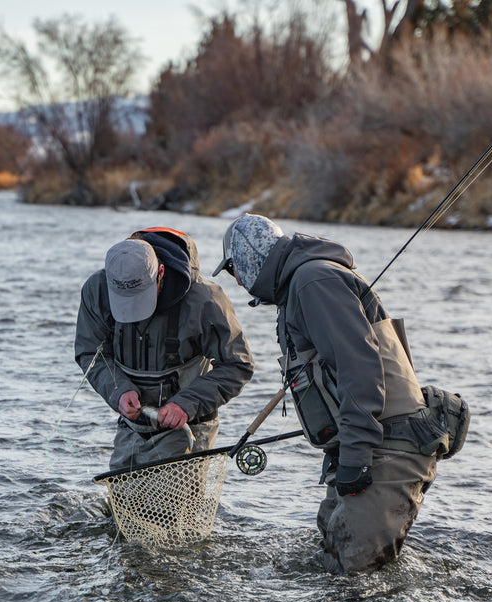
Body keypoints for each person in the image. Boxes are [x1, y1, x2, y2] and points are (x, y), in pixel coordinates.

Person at [212, 213, 438, 575]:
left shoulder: (311, 280)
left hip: (384, 447)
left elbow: (359, 367)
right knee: (333, 564)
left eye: (232, 270)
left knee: (355, 577)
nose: (236, 281)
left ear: (250, 257)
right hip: (368, 443)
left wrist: (357, 455)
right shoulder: (303, 281)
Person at [75, 227, 254, 472]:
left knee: (172, 511)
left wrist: (186, 404)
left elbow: (238, 365)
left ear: (161, 273)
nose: (133, 312)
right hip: (132, 428)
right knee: (122, 507)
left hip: (189, 429)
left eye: (140, 298)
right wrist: (118, 391)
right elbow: (90, 354)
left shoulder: (206, 300)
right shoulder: (96, 290)